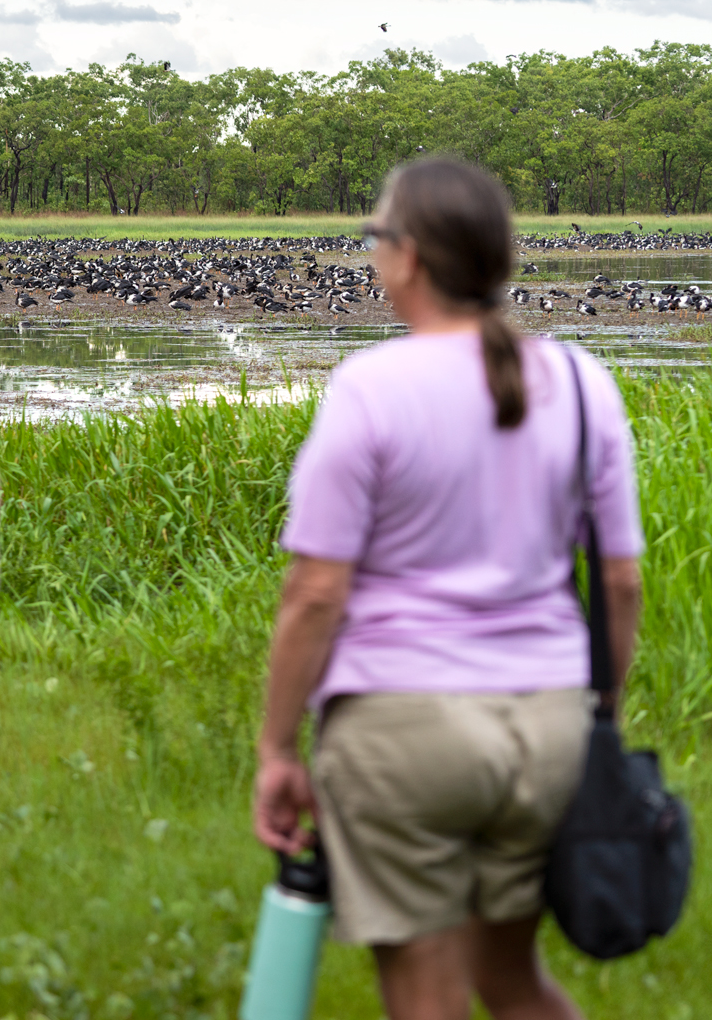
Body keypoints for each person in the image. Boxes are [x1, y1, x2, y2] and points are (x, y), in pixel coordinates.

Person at [254, 156, 643, 1020]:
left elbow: (314, 592)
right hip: (545, 728)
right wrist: (599, 717)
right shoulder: (582, 383)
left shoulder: (368, 387)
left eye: (373, 238)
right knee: (511, 980)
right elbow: (619, 580)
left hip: (402, 733)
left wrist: (278, 749)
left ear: (408, 258)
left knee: (425, 992)